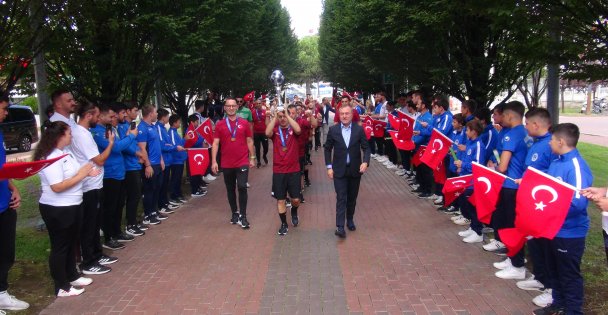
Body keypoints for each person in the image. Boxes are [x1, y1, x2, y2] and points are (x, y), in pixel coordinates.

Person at [35, 121, 102, 297]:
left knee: (72, 243)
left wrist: (86, 173)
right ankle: (61, 285)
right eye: (69, 133)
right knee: (61, 246)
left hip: (73, 204)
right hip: (58, 208)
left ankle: (72, 275)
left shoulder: (65, 153)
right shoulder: (50, 157)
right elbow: (57, 186)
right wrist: (82, 174)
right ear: (60, 136)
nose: (72, 136)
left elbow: (72, 175)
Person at [532, 123, 593, 315]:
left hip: (570, 231)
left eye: (551, 140)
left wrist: (552, 208)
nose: (549, 143)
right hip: (552, 228)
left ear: (561, 141)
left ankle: (573, 311)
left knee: (568, 274)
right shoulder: (556, 162)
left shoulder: (576, 166)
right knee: (554, 270)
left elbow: (578, 203)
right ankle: (558, 304)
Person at [59, 101, 115, 275]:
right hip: (89, 185)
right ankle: (89, 260)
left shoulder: (83, 132)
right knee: (90, 224)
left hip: (94, 183)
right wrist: (111, 144)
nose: (99, 119)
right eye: (97, 116)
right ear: (88, 115)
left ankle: (97, 254)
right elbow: (98, 160)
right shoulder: (81, 134)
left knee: (95, 221)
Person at [491, 101, 529, 280]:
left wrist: (494, 167)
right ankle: (512, 257)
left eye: (504, 115)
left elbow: (503, 166)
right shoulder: (524, 133)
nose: (501, 119)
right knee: (511, 222)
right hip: (518, 185)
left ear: (511, 116)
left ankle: (517, 263)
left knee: (510, 223)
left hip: (510, 185)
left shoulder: (511, 135)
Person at [91, 104, 138, 250]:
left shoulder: (111, 130)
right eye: (110, 116)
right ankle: (108, 236)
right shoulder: (96, 132)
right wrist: (131, 136)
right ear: (101, 117)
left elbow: (119, 145)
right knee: (109, 207)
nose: (114, 119)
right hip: (109, 174)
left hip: (119, 172)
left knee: (119, 204)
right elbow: (116, 147)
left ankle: (117, 232)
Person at [324, 104, 371, 238]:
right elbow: (327, 149)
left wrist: (365, 162)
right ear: (339, 115)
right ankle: (340, 226)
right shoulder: (333, 130)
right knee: (341, 197)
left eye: (347, 113)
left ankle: (349, 219)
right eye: (342, 114)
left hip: (355, 170)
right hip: (339, 170)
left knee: (352, 198)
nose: (344, 116)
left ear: (352, 115)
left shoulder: (358, 130)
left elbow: (366, 148)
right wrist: (329, 167)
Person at [0, 96, 29, 310]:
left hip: (4, 203)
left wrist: (12, 187)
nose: (6, 113)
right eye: (3, 109)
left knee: (6, 252)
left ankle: (2, 292)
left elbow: (2, 167)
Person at [211, 98, 255, 229]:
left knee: (242, 186)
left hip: (242, 161)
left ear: (237, 107)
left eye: (233, 106)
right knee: (230, 189)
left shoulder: (244, 123)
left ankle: (243, 215)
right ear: (224, 108)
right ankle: (234, 212)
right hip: (226, 163)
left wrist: (252, 157)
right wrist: (214, 161)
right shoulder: (220, 124)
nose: (231, 108)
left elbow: (249, 141)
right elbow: (215, 143)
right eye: (228, 106)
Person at [265, 105, 302, 235]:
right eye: (280, 117)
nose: (282, 119)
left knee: (296, 199)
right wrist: (275, 116)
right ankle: (284, 223)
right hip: (279, 171)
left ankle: (294, 211)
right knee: (280, 199)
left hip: (293, 170)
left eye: (284, 117)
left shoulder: (293, 129)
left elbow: (298, 129)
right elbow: (266, 133)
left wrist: (287, 114)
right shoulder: (275, 131)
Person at [453, 119, 486, 243]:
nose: (466, 132)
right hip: (465, 179)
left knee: (472, 206)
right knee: (466, 204)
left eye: (468, 130)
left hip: (473, 182)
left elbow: (477, 165)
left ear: (474, 131)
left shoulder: (478, 145)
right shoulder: (470, 143)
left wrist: (464, 164)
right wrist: (461, 166)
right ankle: (472, 227)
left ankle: (478, 232)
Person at [118, 102, 147, 236]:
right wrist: (137, 153)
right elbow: (124, 145)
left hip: (135, 164)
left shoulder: (129, 126)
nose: (136, 113)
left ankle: (133, 221)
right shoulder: (121, 127)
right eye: (135, 110)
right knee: (133, 196)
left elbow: (134, 143)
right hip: (128, 166)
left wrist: (140, 154)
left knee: (136, 195)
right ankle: (130, 224)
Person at [137, 104, 166, 226]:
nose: (157, 114)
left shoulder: (153, 127)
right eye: (155, 112)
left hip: (157, 163)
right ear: (150, 114)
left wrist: (161, 160)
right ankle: (148, 214)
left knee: (157, 187)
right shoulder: (142, 128)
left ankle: (154, 211)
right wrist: (147, 165)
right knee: (149, 189)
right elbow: (142, 148)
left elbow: (157, 146)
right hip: (150, 164)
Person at [156, 109, 182, 214]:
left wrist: (170, 146)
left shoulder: (163, 128)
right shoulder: (159, 128)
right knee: (162, 185)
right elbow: (163, 146)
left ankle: (165, 202)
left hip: (167, 160)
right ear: (163, 117)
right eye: (167, 116)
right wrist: (173, 147)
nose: (168, 118)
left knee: (165, 183)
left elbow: (168, 144)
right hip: (164, 161)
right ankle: (162, 204)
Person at [168, 115, 188, 204]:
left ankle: (178, 194)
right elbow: (175, 146)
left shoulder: (175, 132)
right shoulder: (172, 132)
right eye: (178, 122)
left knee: (178, 179)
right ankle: (174, 196)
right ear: (174, 123)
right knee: (175, 179)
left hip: (179, 160)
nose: (180, 123)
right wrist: (184, 140)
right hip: (176, 160)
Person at [252, 98, 269, 167]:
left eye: (259, 103)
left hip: (264, 132)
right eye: (257, 103)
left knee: (266, 147)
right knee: (257, 148)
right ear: (255, 105)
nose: (258, 104)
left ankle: (264, 155)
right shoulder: (253, 112)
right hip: (256, 133)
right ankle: (258, 161)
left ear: (262, 104)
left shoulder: (265, 111)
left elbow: (268, 122)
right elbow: (251, 123)